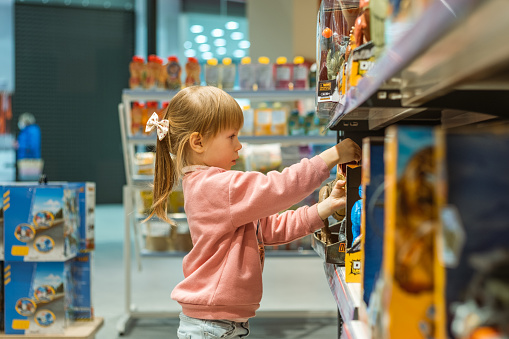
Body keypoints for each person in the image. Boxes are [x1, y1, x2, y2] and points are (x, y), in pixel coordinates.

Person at [145, 86, 361, 339]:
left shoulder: (213, 186)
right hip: (211, 326)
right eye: (231, 137)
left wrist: (326, 207)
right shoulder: (215, 186)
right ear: (198, 142)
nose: (239, 145)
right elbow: (277, 188)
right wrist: (331, 156)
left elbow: (270, 229)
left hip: (219, 322)